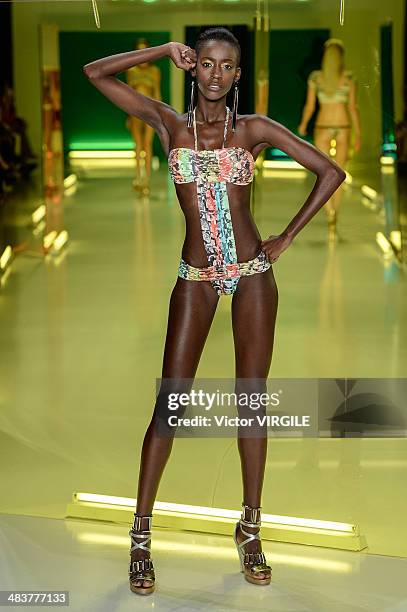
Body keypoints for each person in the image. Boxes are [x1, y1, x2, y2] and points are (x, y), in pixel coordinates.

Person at [83, 27, 345, 595]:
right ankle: (141, 535)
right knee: (170, 406)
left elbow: (330, 172)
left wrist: (284, 239)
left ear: (237, 75)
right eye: (205, 64)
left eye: (227, 66)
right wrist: (158, 50)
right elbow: (95, 73)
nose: (216, 75)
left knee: (251, 403)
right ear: (192, 67)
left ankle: (250, 527)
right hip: (195, 279)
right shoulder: (167, 124)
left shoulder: (252, 130)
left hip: (253, 276)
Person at [298, 38, 361, 240]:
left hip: (323, 127)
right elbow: (353, 109)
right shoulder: (348, 79)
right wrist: (358, 134)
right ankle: (335, 214)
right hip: (343, 127)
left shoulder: (316, 78)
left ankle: (328, 212)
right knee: (340, 173)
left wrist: (303, 124)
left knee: (325, 174)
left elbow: (310, 106)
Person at [125, 38, 162, 195]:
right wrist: (128, 115)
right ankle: (138, 177)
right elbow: (128, 94)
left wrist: (159, 115)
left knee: (147, 144)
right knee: (138, 145)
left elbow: (157, 93)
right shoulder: (131, 71)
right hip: (135, 111)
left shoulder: (155, 72)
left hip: (150, 111)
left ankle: (146, 180)